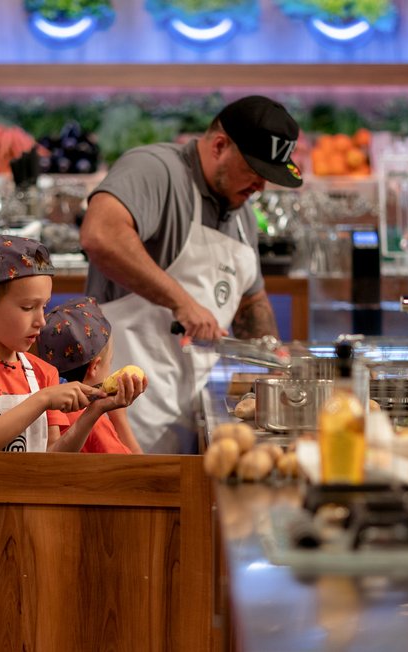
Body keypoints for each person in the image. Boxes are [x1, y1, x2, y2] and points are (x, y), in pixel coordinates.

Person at [0, 235, 145, 651]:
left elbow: (53, 461)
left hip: (30, 525)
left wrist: (97, 410)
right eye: (27, 308)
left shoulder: (41, 370)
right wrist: (41, 400)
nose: (41, 321)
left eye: (43, 306)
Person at [79, 95, 303, 454]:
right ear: (219, 146)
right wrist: (182, 303)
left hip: (193, 412)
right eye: (256, 171)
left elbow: (250, 300)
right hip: (126, 412)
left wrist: (272, 361)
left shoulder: (241, 210)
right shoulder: (154, 169)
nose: (262, 186)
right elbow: (100, 234)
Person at [37, 296, 146, 454]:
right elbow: (138, 470)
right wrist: (119, 419)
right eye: (109, 362)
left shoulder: (39, 406)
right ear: (95, 366)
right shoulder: (92, 422)